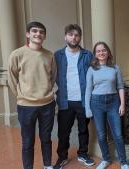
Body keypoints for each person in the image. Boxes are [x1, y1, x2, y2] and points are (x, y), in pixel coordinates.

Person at [8, 21, 56, 169]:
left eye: (41, 32)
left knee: (46, 138)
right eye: (35, 31)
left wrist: (48, 92)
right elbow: (11, 78)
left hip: (47, 105)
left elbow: (52, 76)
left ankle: (47, 165)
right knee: (28, 141)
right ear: (28, 34)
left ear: (45, 36)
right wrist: (21, 96)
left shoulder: (49, 55)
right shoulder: (17, 54)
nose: (38, 34)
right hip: (26, 106)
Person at [53, 24, 94, 169]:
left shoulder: (88, 55)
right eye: (71, 34)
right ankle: (62, 157)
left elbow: (95, 74)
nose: (73, 37)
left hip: (84, 100)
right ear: (65, 36)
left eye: (76, 35)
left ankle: (83, 154)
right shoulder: (57, 55)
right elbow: (51, 74)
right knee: (63, 132)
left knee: (83, 129)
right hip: (65, 101)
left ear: (80, 37)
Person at [85, 42, 129, 169]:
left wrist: (122, 104)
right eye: (98, 51)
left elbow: (120, 87)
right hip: (96, 102)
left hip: (113, 102)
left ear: (108, 52)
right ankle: (106, 159)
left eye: (103, 50)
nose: (101, 53)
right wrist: (88, 108)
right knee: (101, 134)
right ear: (95, 54)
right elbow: (88, 89)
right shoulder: (91, 69)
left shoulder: (115, 68)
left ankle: (124, 162)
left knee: (118, 134)